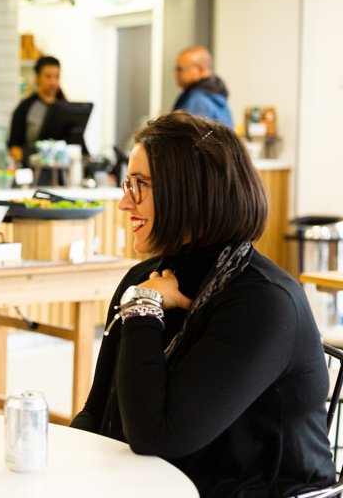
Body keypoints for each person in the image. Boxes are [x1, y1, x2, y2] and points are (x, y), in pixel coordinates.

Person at [70, 111, 334, 496]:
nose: (125, 203)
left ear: (191, 192)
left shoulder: (263, 303)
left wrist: (145, 306)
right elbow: (98, 412)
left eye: (140, 185)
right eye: (128, 184)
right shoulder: (145, 281)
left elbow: (156, 434)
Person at [7, 55, 71, 166]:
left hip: (62, 171)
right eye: (48, 77)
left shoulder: (67, 108)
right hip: (31, 169)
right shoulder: (25, 107)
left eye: (57, 77)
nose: (53, 82)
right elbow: (14, 145)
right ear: (37, 78)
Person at [171, 45, 234, 128]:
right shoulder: (216, 93)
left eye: (180, 69)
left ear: (200, 69)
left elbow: (188, 138)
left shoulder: (198, 100)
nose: (176, 74)